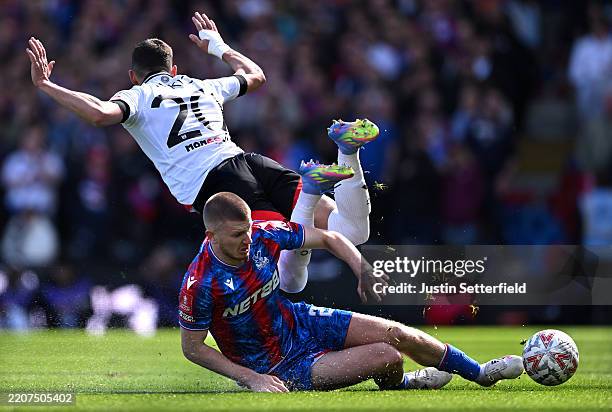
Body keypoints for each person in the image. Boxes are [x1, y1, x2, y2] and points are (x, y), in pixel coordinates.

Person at [26, 11, 379, 294]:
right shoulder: (201, 85)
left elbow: (99, 113)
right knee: (351, 231)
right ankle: (346, 151)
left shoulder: (138, 96)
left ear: (134, 76)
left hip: (219, 186)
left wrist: (47, 85)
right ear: (173, 70)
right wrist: (219, 47)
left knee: (288, 281)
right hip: (250, 162)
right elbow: (255, 75)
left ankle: (312, 190)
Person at [179, 191, 524, 392]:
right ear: (211, 236)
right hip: (278, 366)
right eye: (237, 235)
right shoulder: (200, 283)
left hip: (301, 322)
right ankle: (404, 384)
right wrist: (252, 378)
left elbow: (329, 237)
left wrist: (362, 268)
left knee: (398, 333)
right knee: (388, 356)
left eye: (248, 229)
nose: (248, 239)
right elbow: (193, 348)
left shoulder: (264, 234)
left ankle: (481, 373)